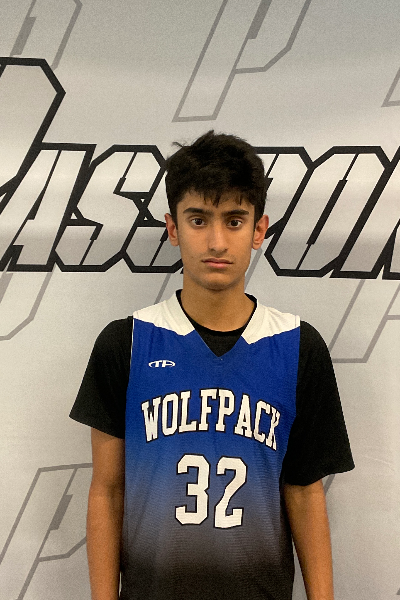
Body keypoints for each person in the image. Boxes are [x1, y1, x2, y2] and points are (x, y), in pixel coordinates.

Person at [70, 130, 354, 600]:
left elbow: (305, 492)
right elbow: (107, 491)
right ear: (173, 228)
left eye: (234, 220)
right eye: (199, 219)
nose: (217, 241)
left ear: (259, 230)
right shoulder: (126, 343)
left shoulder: (299, 347)